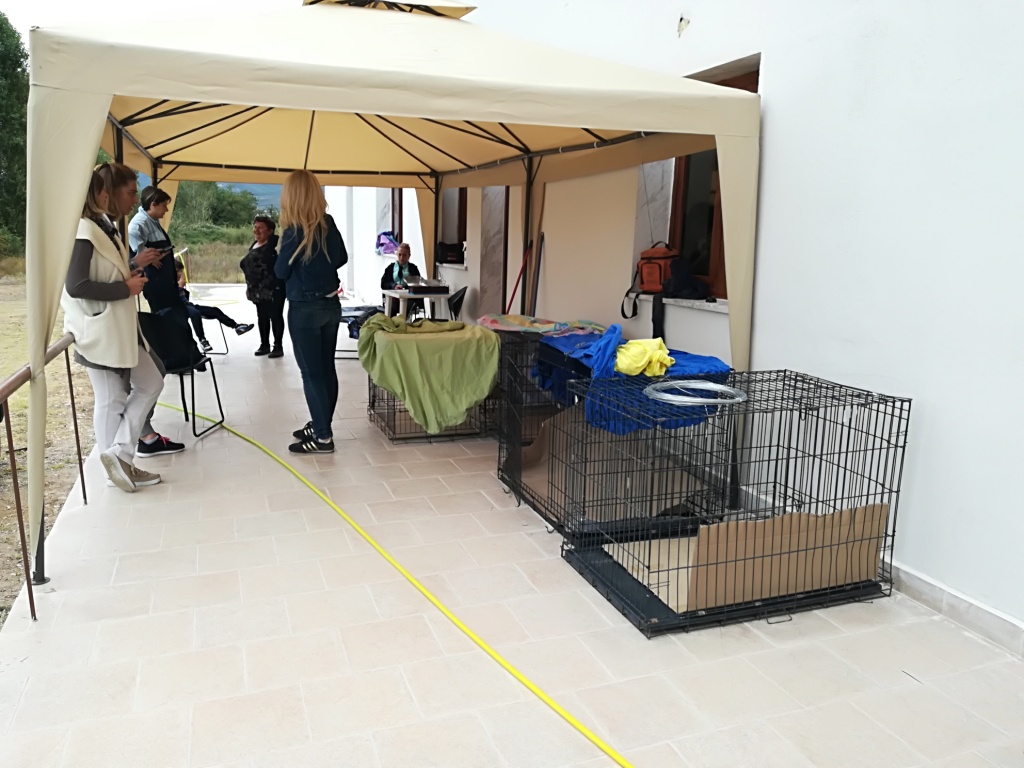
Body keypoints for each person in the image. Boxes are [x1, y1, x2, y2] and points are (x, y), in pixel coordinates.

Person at [61, 166, 165, 493]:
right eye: (130, 192)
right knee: (111, 398)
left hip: (118, 328)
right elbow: (76, 285)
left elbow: (104, 270)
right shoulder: (83, 229)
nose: (134, 199)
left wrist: (129, 272)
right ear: (101, 192)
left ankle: (119, 455)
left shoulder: (102, 226)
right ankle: (118, 467)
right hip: (100, 329)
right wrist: (125, 287)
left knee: (150, 382)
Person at [274, 170, 348, 454]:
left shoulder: (293, 232)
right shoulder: (328, 224)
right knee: (327, 368)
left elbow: (280, 271)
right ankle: (321, 423)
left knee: (311, 373)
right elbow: (341, 257)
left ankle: (322, 437)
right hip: (330, 305)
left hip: (304, 309)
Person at [119, 182, 186, 457]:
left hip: (153, 291)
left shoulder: (143, 223)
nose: (166, 210)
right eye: (131, 193)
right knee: (139, 382)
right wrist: (143, 263)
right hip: (145, 295)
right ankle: (137, 441)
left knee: (155, 373)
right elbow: (81, 286)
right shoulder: (135, 225)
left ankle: (142, 437)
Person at [175, 261, 253, 352]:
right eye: (178, 271)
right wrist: (180, 288)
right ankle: (202, 340)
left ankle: (236, 326)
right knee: (195, 313)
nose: (180, 274)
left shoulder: (178, 283)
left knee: (214, 310)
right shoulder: (169, 285)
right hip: (180, 308)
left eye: (181, 271)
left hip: (189, 305)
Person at [240, 214, 286, 358]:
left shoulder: (272, 247)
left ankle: (278, 346)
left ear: (270, 231)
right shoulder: (255, 244)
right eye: (255, 227)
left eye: (260, 228)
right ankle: (264, 344)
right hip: (258, 290)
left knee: (275, 316)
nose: (256, 230)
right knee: (262, 317)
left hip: (272, 289)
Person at [380, 242, 423, 318]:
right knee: (391, 307)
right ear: (397, 254)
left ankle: (403, 323)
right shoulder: (390, 268)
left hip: (408, 298)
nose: (401, 257)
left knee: (408, 307)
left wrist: (407, 286)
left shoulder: (413, 269)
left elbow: (418, 284)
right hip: (393, 297)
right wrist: (394, 286)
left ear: (409, 256)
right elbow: (383, 283)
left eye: (404, 255)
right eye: (399, 255)